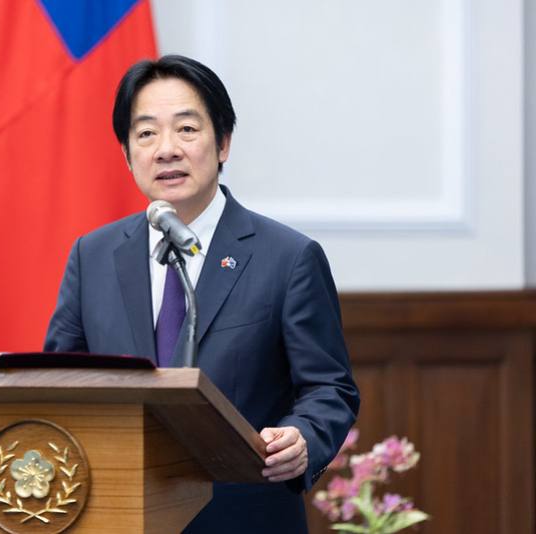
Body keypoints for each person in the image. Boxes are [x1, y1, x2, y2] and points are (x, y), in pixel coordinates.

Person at [44, 54, 359, 533]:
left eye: (187, 129)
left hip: (241, 517)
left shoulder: (288, 257)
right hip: (116, 514)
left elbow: (329, 387)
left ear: (223, 142)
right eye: (146, 134)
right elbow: (56, 381)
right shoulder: (94, 255)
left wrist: (302, 437)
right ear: (127, 154)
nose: (166, 149)